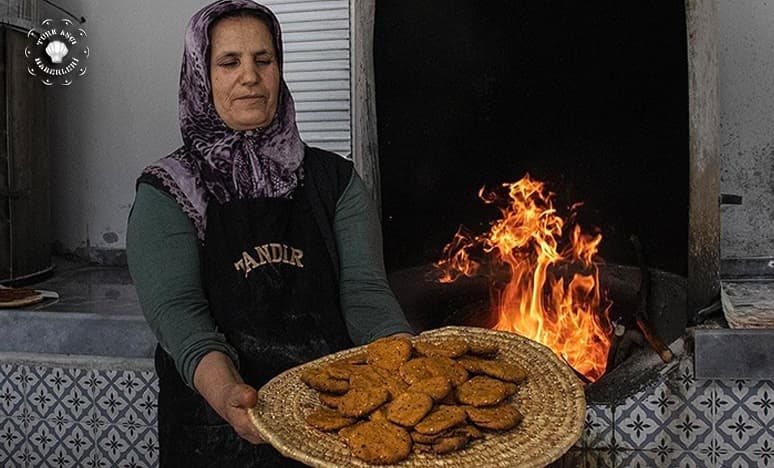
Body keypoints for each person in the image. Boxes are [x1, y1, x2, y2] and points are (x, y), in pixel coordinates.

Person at [126, 1, 414, 465]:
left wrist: (407, 371)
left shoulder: (334, 180)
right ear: (201, 75)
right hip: (218, 429)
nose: (250, 76)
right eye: (229, 62)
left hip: (332, 418)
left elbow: (365, 295)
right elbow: (180, 317)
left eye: (264, 60)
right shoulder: (170, 190)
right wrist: (226, 394)